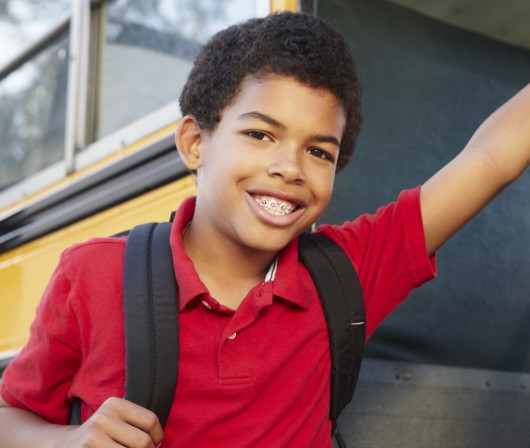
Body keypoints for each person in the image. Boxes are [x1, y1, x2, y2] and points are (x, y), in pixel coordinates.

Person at [0, 11, 528, 448]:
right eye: (259, 133)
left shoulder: (345, 274)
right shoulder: (93, 273)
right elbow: (10, 415)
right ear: (194, 143)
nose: (290, 167)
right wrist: (63, 441)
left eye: (319, 150)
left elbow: (488, 159)